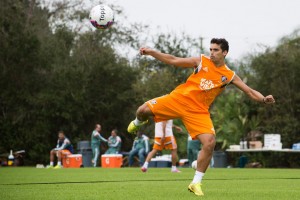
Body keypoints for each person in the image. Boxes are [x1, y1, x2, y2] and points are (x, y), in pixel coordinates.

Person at [127, 38, 275, 196]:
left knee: (210, 142)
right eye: (211, 49)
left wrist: (263, 99)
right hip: (177, 100)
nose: (212, 53)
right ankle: (137, 122)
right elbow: (173, 60)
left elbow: (250, 91)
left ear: (225, 52)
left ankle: (196, 182)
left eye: (216, 50)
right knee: (141, 110)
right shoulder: (201, 61)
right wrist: (152, 52)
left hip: (198, 111)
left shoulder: (229, 75)